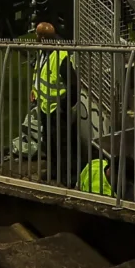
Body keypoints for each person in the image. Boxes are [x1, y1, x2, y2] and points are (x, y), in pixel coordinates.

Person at [28, 21, 80, 187]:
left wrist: (63, 107)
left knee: (63, 144)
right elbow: (40, 73)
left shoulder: (60, 56)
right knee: (50, 142)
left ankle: (68, 176)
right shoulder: (44, 52)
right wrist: (34, 90)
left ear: (43, 37)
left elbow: (73, 86)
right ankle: (55, 170)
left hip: (57, 110)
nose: (36, 38)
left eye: (38, 35)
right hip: (44, 106)